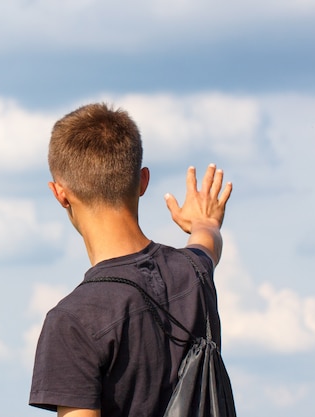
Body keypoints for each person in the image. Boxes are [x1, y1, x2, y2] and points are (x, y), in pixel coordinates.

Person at [29, 103, 232, 417]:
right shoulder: (194, 272)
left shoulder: (72, 321)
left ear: (60, 194)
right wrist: (204, 221)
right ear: (143, 181)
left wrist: (206, 228)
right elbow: (208, 243)